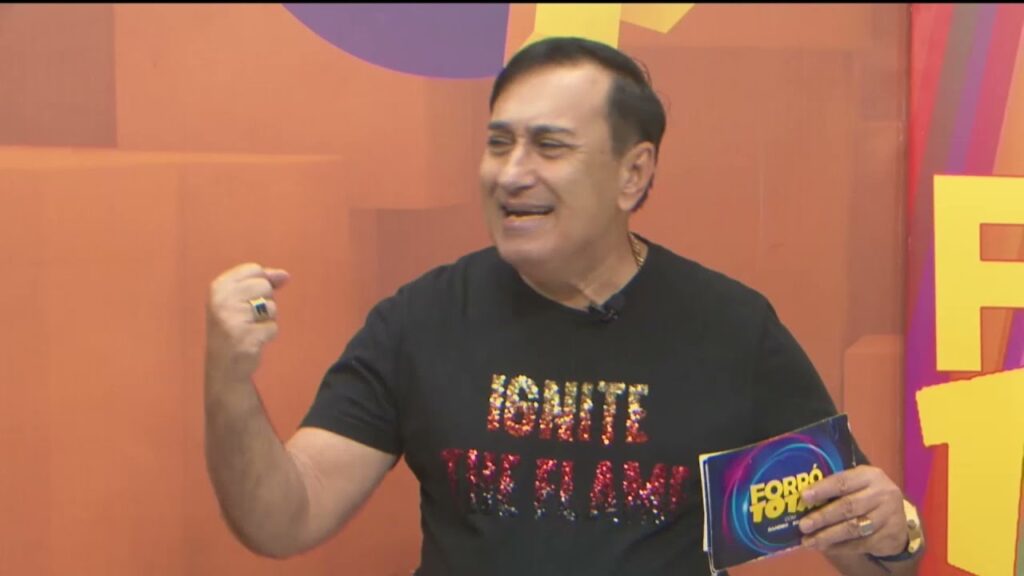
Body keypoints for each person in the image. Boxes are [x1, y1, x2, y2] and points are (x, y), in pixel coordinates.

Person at [204, 37, 924, 575]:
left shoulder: (731, 329)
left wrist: (890, 536)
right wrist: (230, 384)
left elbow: (869, 554)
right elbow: (284, 519)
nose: (512, 174)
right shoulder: (419, 321)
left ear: (632, 174)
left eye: (549, 147)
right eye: (499, 144)